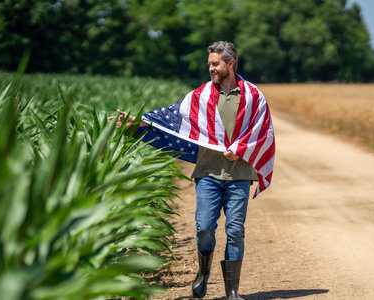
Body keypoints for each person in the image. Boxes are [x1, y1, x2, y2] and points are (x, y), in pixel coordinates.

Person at [111, 41, 275, 300]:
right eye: (209, 64)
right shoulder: (200, 95)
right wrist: (137, 123)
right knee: (204, 227)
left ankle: (233, 291)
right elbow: (171, 119)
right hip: (207, 172)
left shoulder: (253, 95)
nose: (210, 68)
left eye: (215, 64)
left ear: (230, 63)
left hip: (239, 175)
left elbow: (262, 130)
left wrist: (240, 149)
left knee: (235, 230)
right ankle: (203, 273)